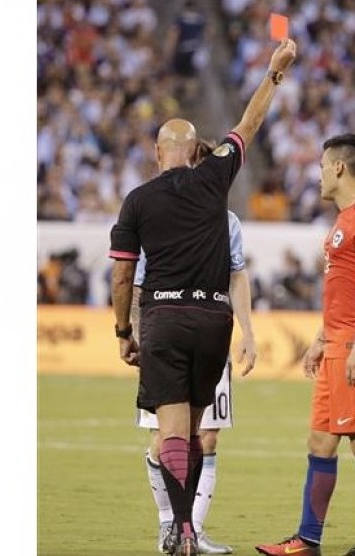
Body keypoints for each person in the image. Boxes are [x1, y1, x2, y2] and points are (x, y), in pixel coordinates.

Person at [109, 38, 297, 556]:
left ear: (156, 152)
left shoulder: (137, 201)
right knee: (196, 432)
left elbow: (123, 278)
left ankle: (183, 528)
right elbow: (250, 125)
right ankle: (188, 529)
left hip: (164, 317)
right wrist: (274, 73)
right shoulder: (215, 180)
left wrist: (124, 331)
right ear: (197, 152)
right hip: (214, 321)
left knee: (172, 433)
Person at [254, 133, 355, 556]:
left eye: (320, 166)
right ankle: (307, 540)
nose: (317, 175)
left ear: (338, 167)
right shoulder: (344, 220)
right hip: (336, 342)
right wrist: (320, 337)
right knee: (320, 441)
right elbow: (342, 290)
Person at [134, 194, 256, 553]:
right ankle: (168, 526)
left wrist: (247, 331)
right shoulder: (158, 214)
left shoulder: (227, 221)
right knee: (164, 438)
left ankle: (192, 530)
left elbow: (237, 274)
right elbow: (137, 278)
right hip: (165, 335)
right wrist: (139, 335)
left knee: (207, 436)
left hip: (210, 336)